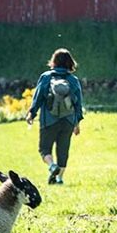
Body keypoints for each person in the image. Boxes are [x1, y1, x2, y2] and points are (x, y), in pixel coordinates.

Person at [26, 48, 84, 185]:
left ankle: (52, 166)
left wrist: (31, 113)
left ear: (54, 61)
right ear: (70, 62)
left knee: (44, 149)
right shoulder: (73, 80)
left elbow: (38, 97)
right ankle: (59, 179)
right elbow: (78, 104)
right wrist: (77, 123)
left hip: (49, 120)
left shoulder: (46, 77)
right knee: (63, 151)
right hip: (68, 121)